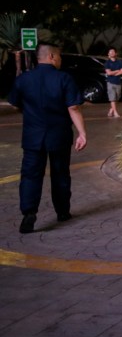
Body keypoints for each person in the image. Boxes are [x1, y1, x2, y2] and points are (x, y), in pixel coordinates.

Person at [8, 44, 87, 234]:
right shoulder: (64, 78)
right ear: (52, 56)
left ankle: (29, 213)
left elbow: (15, 104)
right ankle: (62, 212)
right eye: (59, 56)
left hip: (32, 136)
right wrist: (82, 133)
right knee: (60, 173)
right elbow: (73, 108)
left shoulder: (24, 79)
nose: (60, 60)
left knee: (30, 175)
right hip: (59, 135)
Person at [104, 46, 122, 118]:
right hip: (110, 82)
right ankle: (115, 112)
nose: (111, 53)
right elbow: (108, 73)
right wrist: (116, 71)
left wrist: (114, 73)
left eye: (113, 52)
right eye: (110, 52)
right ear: (108, 54)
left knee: (117, 98)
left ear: (116, 53)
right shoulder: (107, 63)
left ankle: (111, 110)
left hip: (118, 82)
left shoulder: (120, 62)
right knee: (112, 98)